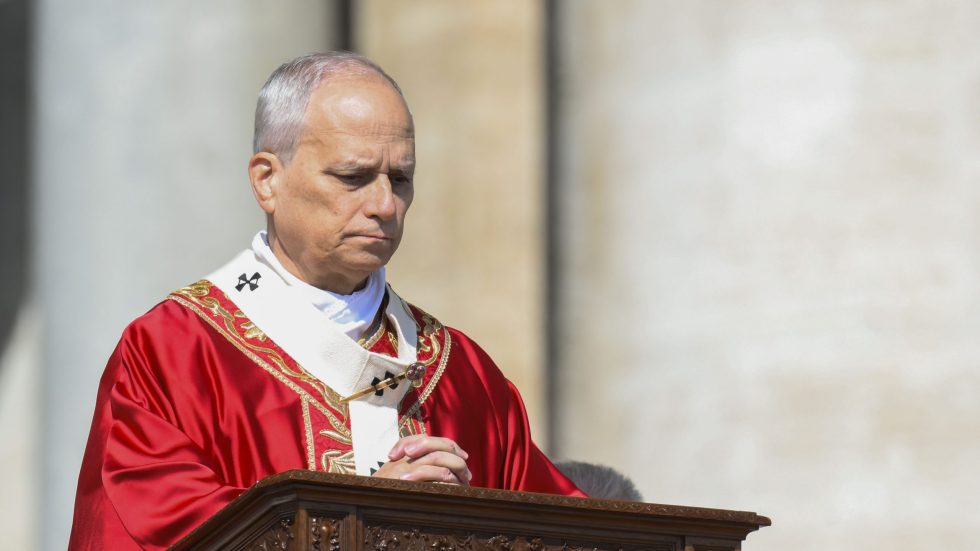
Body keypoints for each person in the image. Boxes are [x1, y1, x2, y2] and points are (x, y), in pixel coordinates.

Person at [67, 52, 584, 551]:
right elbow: (153, 533)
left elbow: (574, 532)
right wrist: (361, 525)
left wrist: (469, 528)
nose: (385, 205)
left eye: (400, 179)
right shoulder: (173, 354)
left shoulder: (462, 374)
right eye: (352, 177)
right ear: (267, 180)